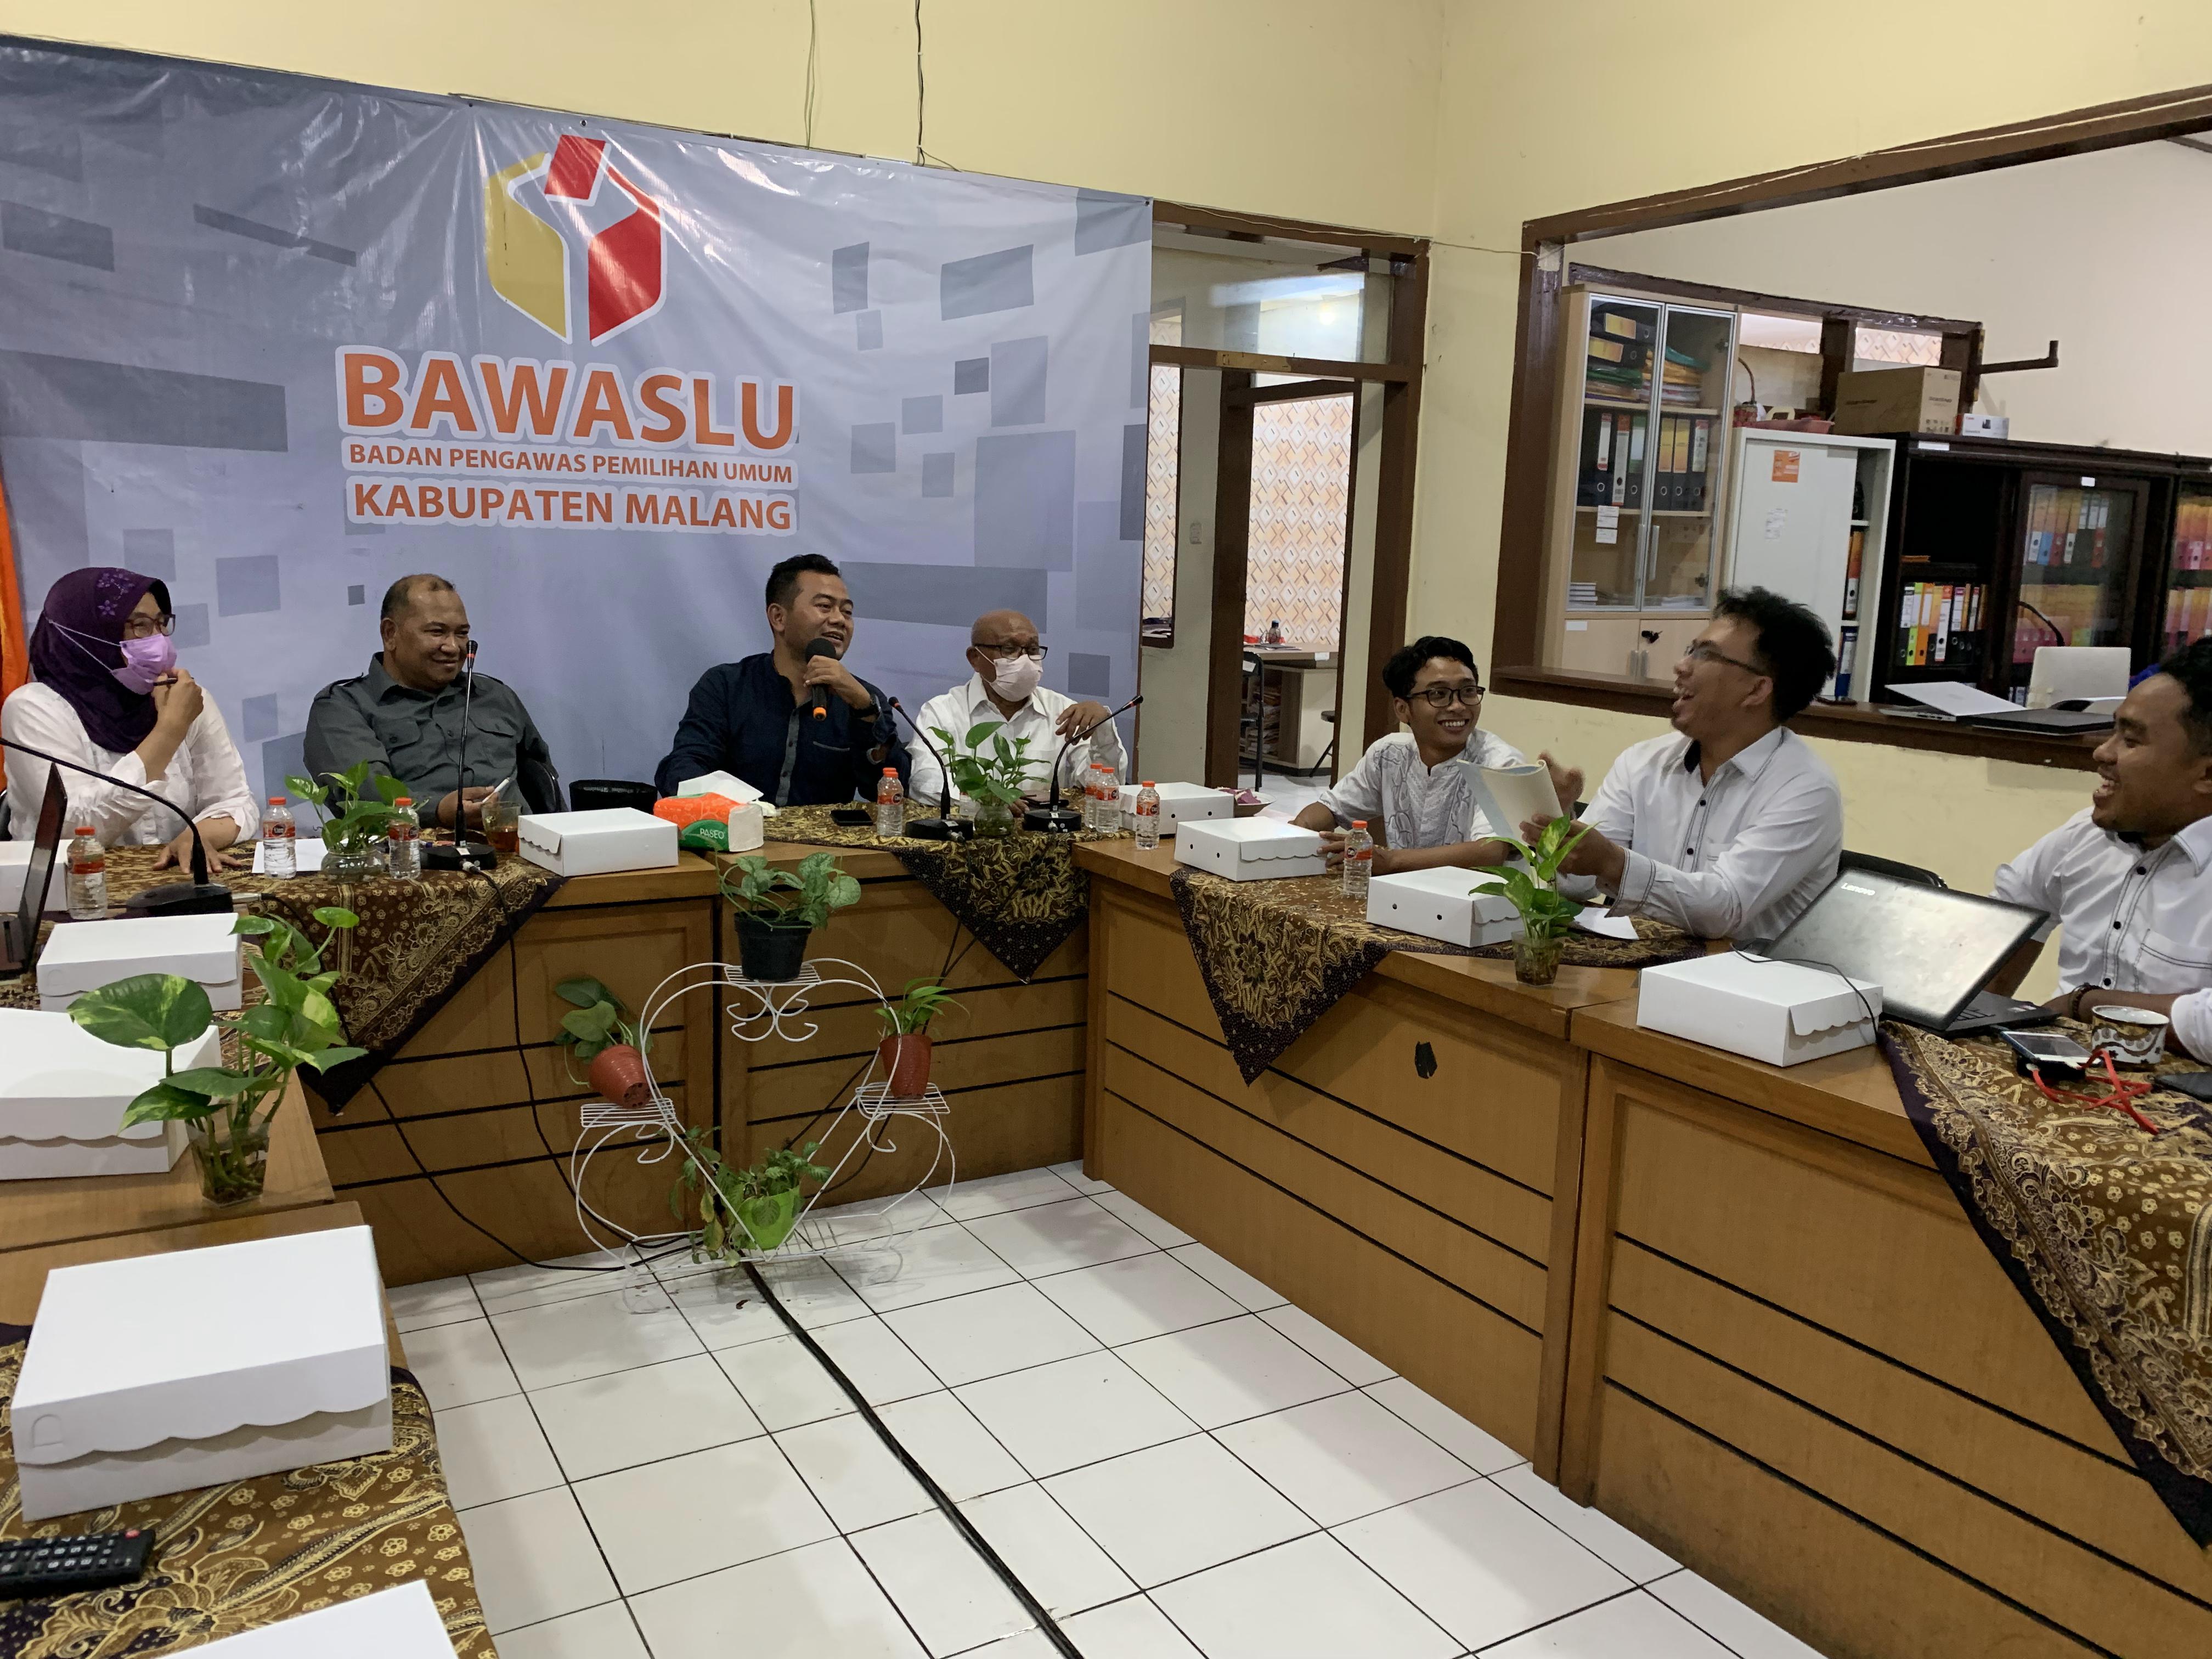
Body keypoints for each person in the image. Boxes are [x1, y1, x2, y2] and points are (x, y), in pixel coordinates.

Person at [1537, 588, 1843, 942]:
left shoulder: (1805, 789)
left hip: (1738, 972)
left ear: (1757, 690)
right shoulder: (1643, 762)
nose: (1681, 666)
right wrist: (1558, 822)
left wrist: (1614, 864)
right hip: (1632, 960)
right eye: (1690, 650)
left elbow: (1724, 910)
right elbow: (1576, 885)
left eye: (1706, 655)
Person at [1987, 637, 2212, 1059]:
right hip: (2062, 1076)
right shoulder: (2085, 836)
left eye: (2131, 740)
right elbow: (2003, 916)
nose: (2102, 752)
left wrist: (2085, 1005)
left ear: (2207, 774)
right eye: (2113, 731)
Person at [3, 567, 258, 868]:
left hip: (176, 878)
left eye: (161, 623)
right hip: (73, 884)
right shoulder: (34, 709)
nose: (158, 639)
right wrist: (169, 731)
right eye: (140, 626)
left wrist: (199, 837)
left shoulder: (183, 696)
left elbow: (236, 800)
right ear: (87, 634)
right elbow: (75, 828)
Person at [1290, 636, 1578, 874]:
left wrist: (1391, 861)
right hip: (1408, 897)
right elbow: (1330, 809)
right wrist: (1291, 834)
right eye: (1439, 695)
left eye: (1468, 691)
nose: (1458, 706)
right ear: (1403, 709)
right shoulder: (1389, 754)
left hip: (1482, 907)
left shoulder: (1500, 762)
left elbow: (1490, 851)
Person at [304, 574, 561, 830]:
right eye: (437, 632)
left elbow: (542, 780)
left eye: (462, 634)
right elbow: (364, 798)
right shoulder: (342, 708)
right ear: (390, 634)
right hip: (412, 851)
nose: (453, 647)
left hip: (517, 846)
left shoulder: (495, 695)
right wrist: (437, 812)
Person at [654, 553, 906, 804]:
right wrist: (737, 810)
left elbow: (894, 791)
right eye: (824, 606)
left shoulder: (865, 699)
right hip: (735, 826)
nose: (839, 620)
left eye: (847, 612)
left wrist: (866, 712)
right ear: (779, 618)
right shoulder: (726, 686)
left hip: (822, 833)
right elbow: (683, 768)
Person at [907, 610, 1123, 806]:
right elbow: (925, 782)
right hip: (972, 831)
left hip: (1047, 833)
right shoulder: (942, 712)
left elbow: (1103, 785)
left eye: (1032, 649)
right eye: (1009, 649)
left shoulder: (1063, 711)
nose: (1025, 660)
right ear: (975, 658)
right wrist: (985, 801)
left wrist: (1102, 727)